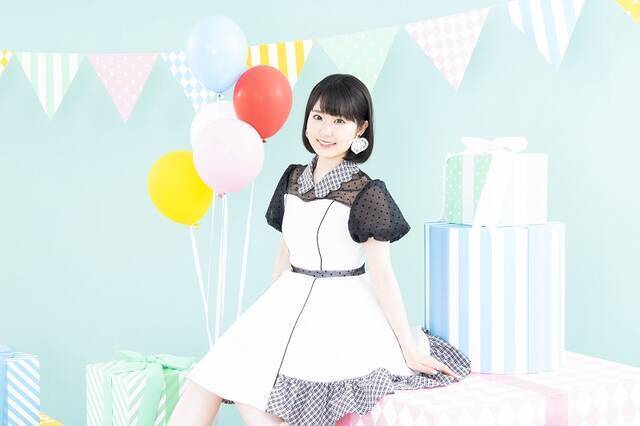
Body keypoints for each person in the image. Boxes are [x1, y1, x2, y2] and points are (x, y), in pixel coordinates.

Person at [169, 74, 471, 426]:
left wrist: (407, 346)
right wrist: (266, 321)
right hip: (288, 300)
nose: (325, 131)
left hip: (340, 311)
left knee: (250, 395)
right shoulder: (292, 179)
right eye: (318, 117)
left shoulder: (367, 192)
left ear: (361, 129)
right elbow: (283, 257)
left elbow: (383, 275)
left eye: (339, 121)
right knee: (208, 378)